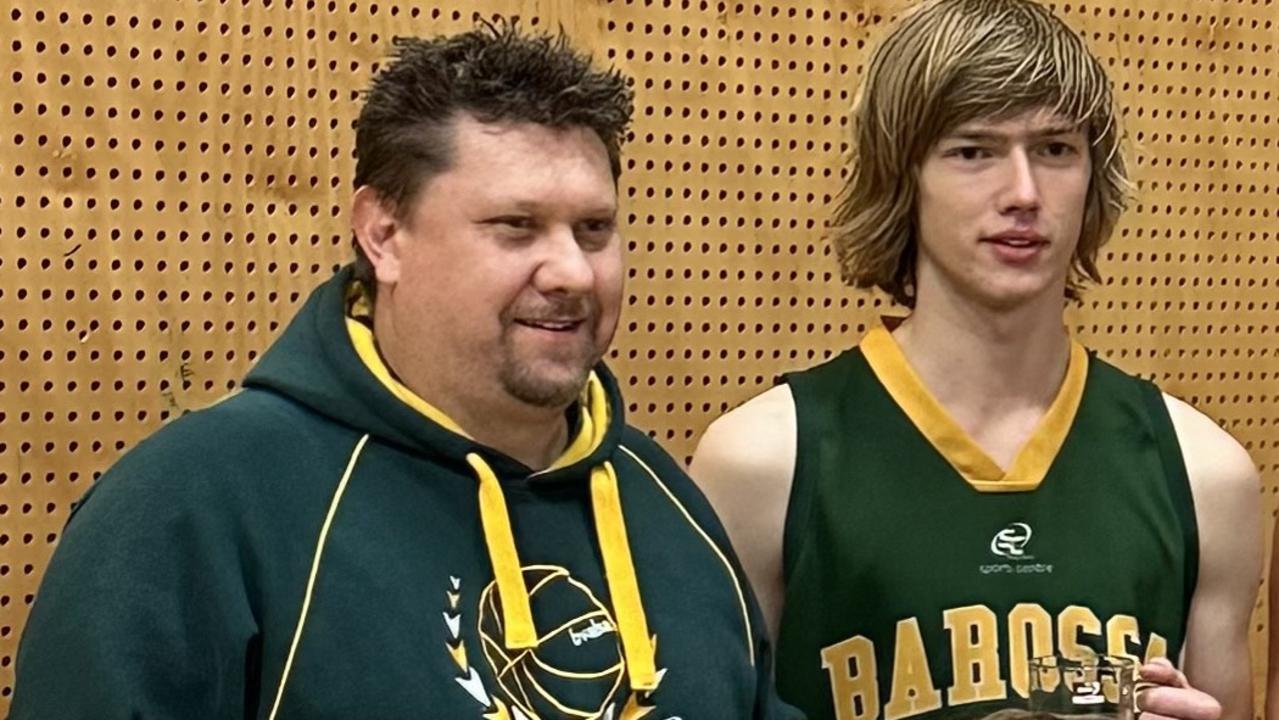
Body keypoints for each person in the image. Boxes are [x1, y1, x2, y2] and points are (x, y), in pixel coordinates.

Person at [12, 23, 799, 720]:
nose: (571, 272)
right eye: (515, 226)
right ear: (383, 235)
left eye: (593, 230)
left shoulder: (664, 500)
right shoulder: (197, 505)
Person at [690, 2, 1260, 720]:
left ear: (1091, 179)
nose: (1022, 194)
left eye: (1055, 149)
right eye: (972, 150)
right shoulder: (761, 463)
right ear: (904, 177)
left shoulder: (1204, 475)